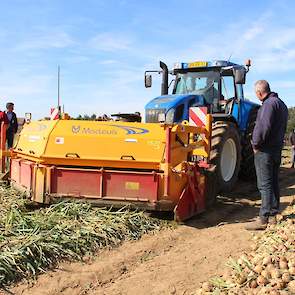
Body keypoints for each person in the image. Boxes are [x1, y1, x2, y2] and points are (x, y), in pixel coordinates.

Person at [246, 80, 288, 230]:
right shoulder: (281, 104)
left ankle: (263, 218)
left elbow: (263, 126)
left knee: (264, 184)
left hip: (265, 151)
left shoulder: (268, 105)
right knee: (273, 181)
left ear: (259, 92)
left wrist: (255, 144)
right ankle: (273, 215)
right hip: (276, 149)